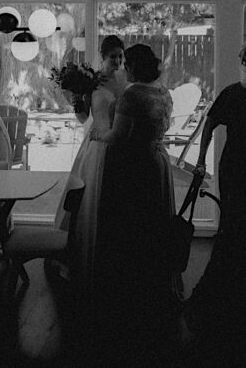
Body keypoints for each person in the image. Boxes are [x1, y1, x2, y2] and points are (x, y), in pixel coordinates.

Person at [186, 42, 246, 367]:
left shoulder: (232, 92)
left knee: (233, 227)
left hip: (232, 169)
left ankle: (222, 292)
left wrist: (202, 161)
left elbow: (210, 125)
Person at [90, 43, 179, 364]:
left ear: (134, 66)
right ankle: (152, 279)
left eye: (127, 62)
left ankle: (126, 285)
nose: (123, 66)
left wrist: (98, 133)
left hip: (131, 166)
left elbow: (119, 136)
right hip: (157, 161)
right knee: (152, 222)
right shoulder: (163, 93)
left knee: (127, 223)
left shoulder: (132, 95)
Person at [53, 36, 127, 290]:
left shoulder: (127, 78)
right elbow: (84, 115)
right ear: (103, 56)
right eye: (113, 56)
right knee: (89, 200)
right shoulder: (92, 80)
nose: (117, 61)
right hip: (96, 144)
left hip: (121, 144)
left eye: (120, 56)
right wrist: (77, 103)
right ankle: (82, 252)